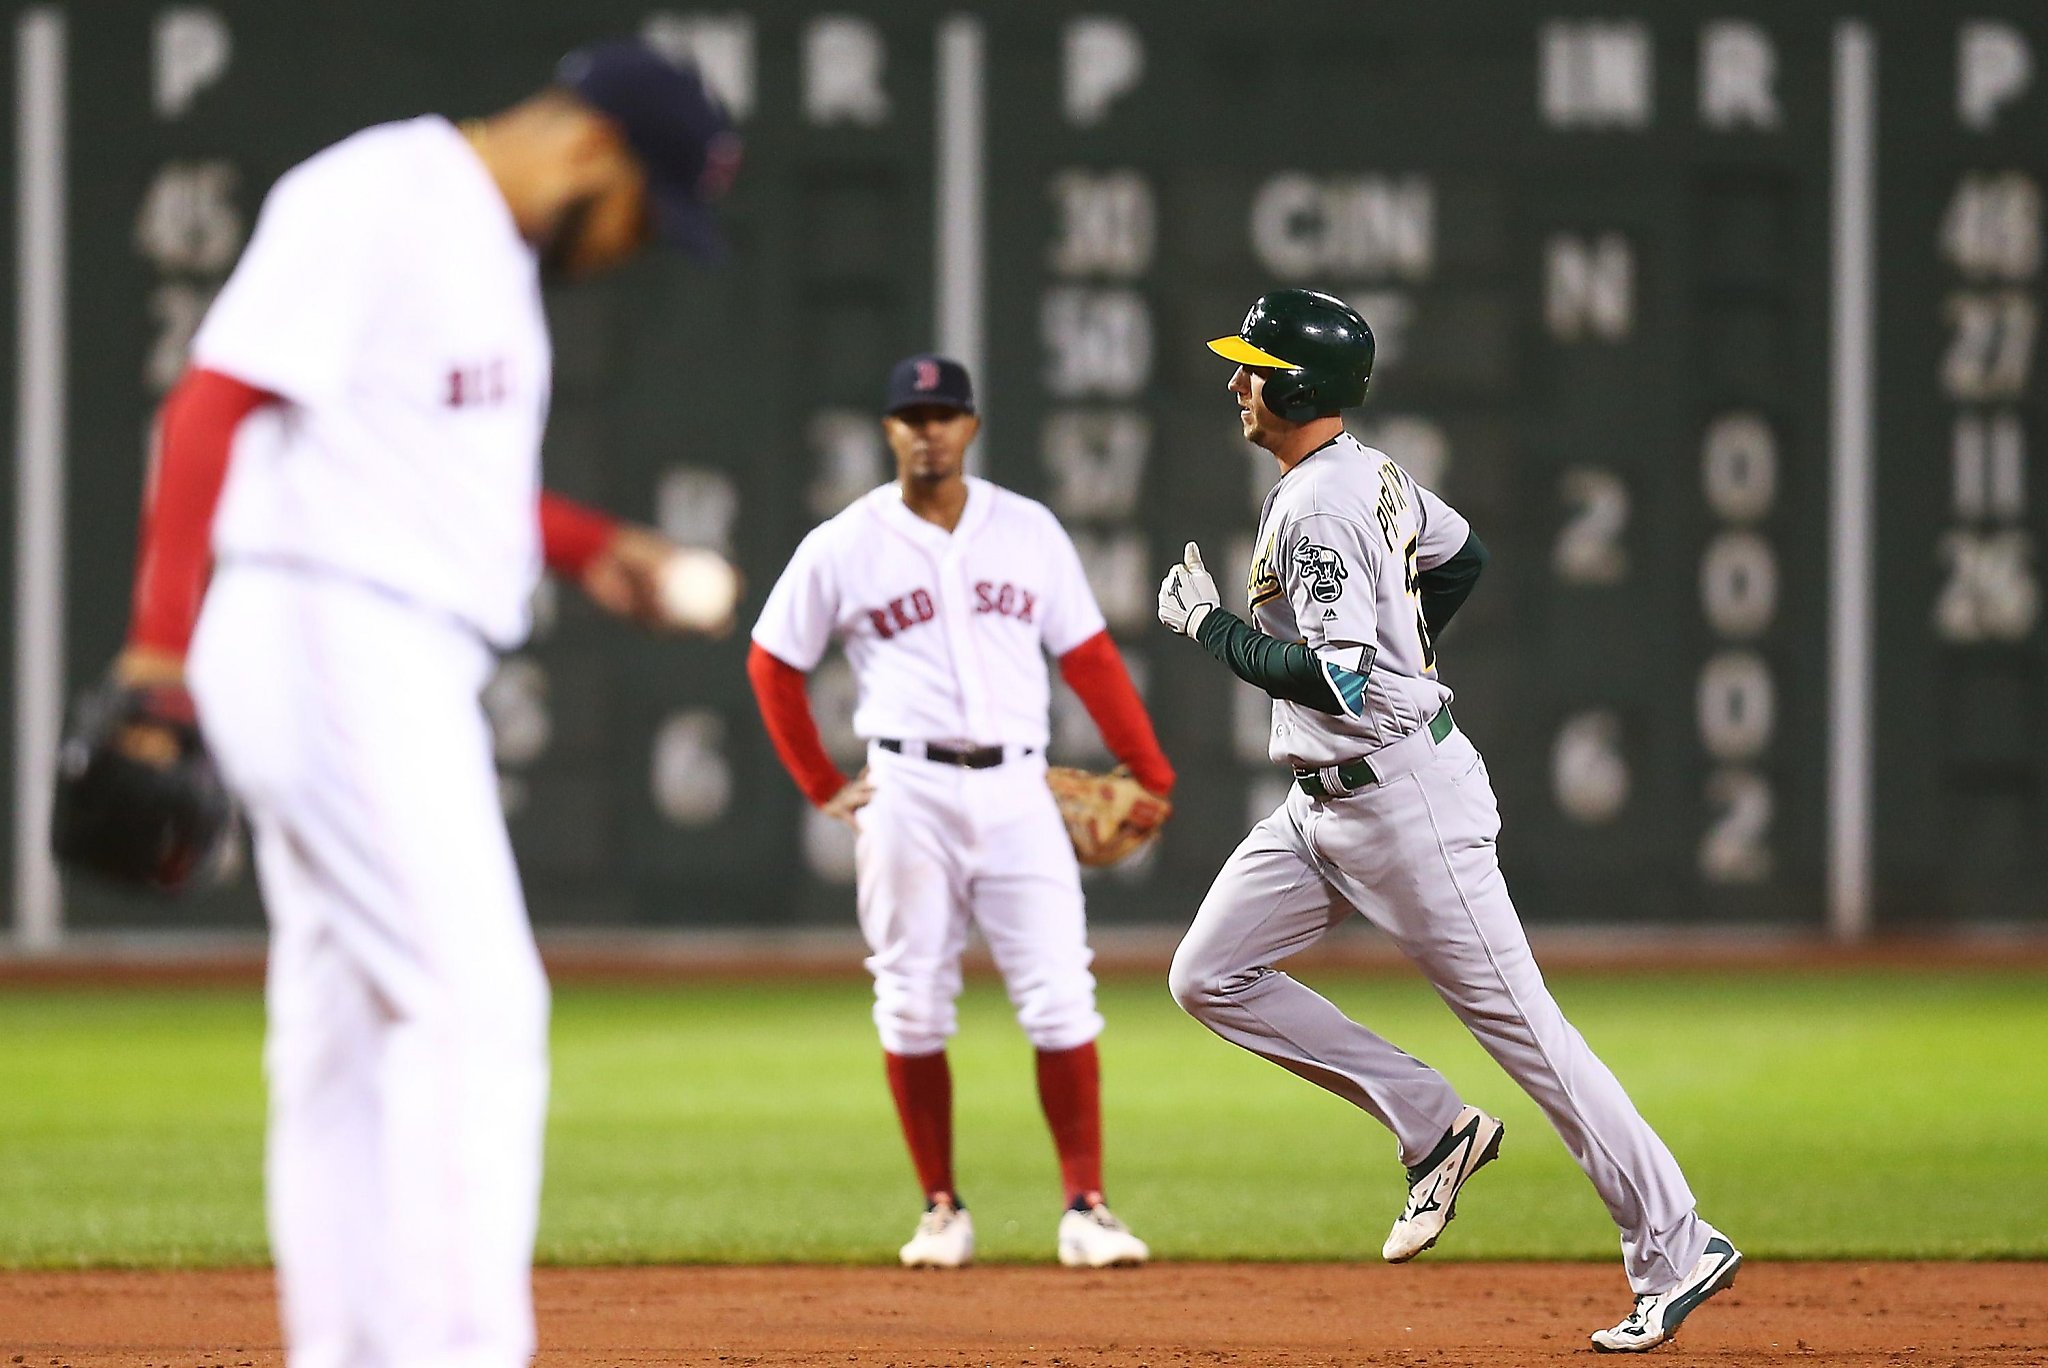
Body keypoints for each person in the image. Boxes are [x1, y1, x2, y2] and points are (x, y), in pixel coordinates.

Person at [114, 40, 741, 1368]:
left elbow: (409, 466)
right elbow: (211, 406)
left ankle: (347, 1351)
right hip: (334, 632)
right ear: (590, 149)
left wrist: (592, 550)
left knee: (348, 1030)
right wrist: (153, 656)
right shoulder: (385, 194)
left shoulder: (481, 256)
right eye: (647, 211)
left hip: (368, 635)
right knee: (476, 1007)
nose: (633, 247)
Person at [1157, 289, 1742, 1353]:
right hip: (1320, 809)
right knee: (1207, 974)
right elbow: (1458, 558)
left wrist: (1207, 627)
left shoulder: (1321, 503)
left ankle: (1677, 1240)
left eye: (1252, 366)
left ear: (1298, 385)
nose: (1235, 381)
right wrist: (1403, 656)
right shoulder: (1364, 474)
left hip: (1400, 804)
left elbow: (1336, 680)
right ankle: (1431, 1124)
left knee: (1530, 1038)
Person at [748, 354, 1174, 1269]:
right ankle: (941, 1209)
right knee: (910, 1003)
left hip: (1021, 787)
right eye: (912, 415)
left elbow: (1091, 656)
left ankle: (1087, 1207)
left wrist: (1149, 765)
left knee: (1062, 993)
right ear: (890, 429)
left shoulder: (1027, 530)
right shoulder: (844, 543)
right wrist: (821, 782)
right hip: (906, 790)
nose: (929, 429)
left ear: (971, 426)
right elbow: (771, 663)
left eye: (944, 414)